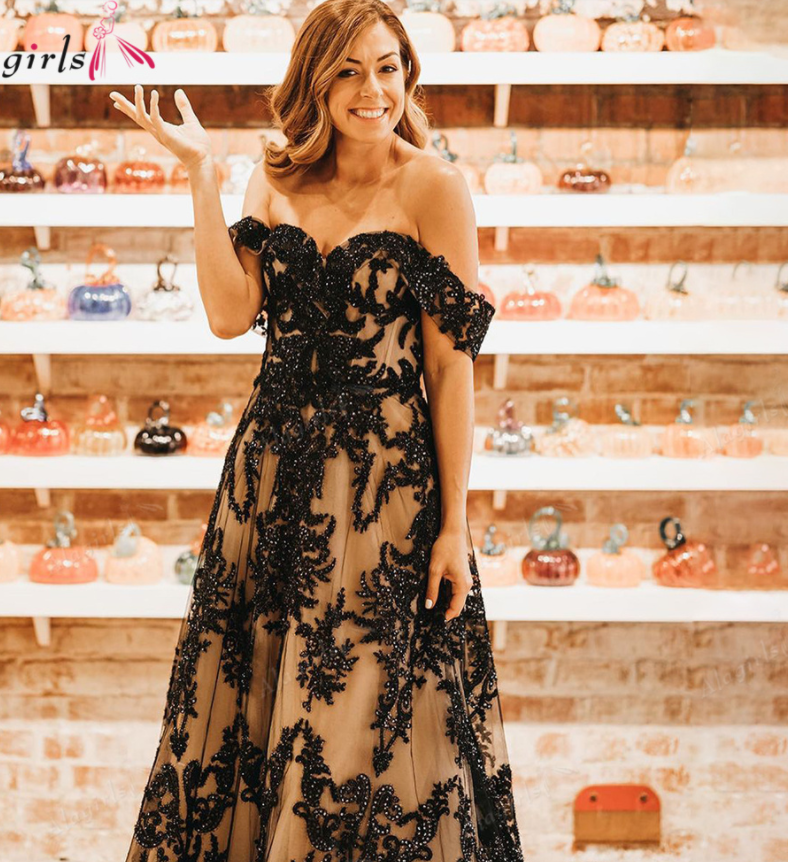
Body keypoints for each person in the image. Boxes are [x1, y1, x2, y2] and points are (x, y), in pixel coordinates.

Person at [110, 0, 524, 859]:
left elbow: (450, 370)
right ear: (316, 80)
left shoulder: (434, 187)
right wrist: (201, 176)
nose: (374, 90)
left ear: (407, 76)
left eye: (388, 68)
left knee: (363, 720)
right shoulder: (275, 179)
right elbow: (229, 314)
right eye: (349, 70)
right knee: (257, 708)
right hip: (271, 483)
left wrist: (455, 525)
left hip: (383, 496)